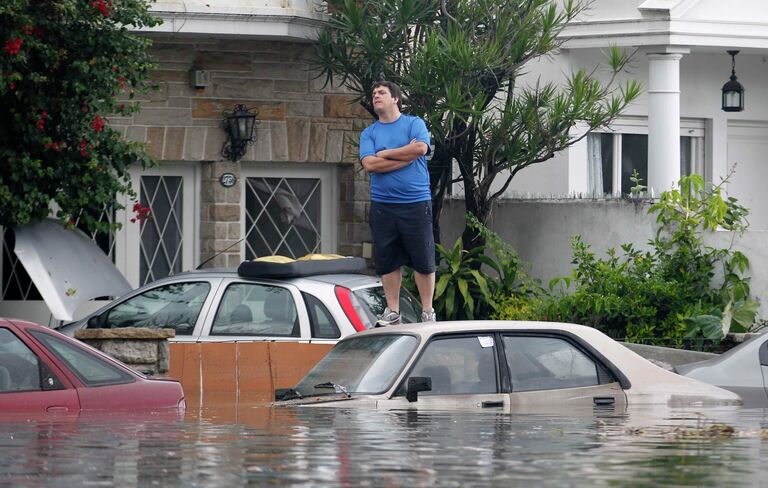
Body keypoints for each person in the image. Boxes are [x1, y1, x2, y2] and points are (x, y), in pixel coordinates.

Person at [359, 81, 436, 325]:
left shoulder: (414, 123)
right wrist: (405, 156)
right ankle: (393, 311)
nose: (376, 96)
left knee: (423, 259)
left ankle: (427, 311)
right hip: (383, 205)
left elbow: (421, 148)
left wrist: (384, 153)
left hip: (415, 202)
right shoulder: (369, 133)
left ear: (395, 98)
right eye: (374, 94)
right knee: (388, 259)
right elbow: (370, 164)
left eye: (381, 93)